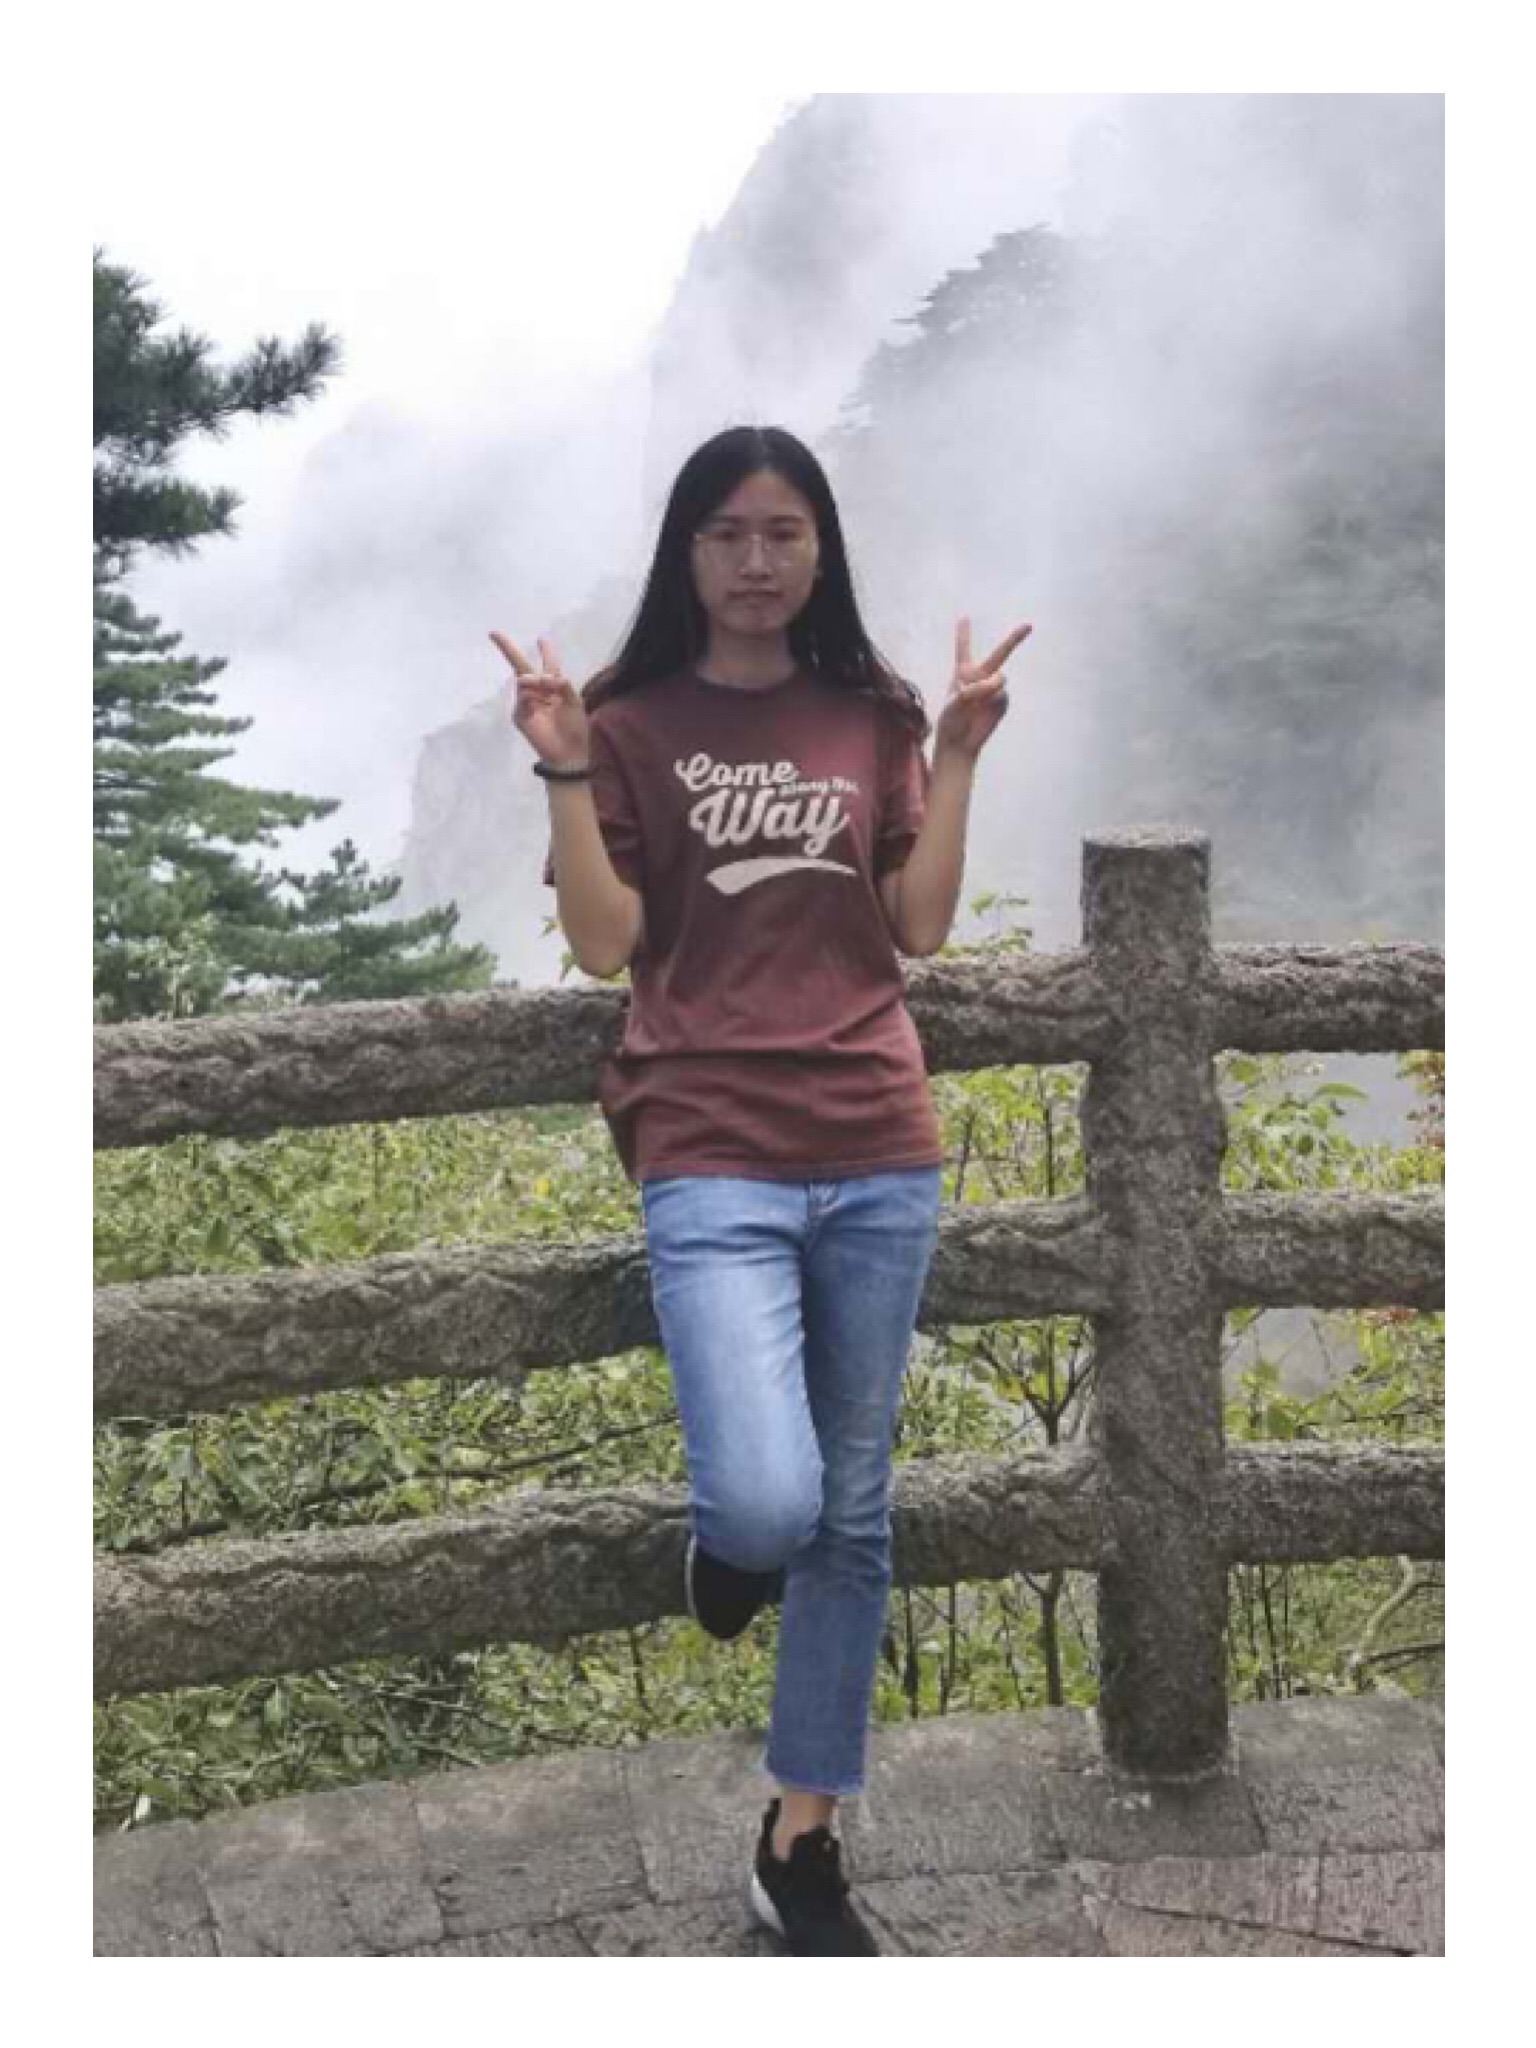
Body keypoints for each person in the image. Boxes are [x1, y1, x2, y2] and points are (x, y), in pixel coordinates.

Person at [493, 424, 1026, 1956]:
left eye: (784, 532)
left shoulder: (874, 713)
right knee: (771, 1500)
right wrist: (565, 764)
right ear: (686, 551)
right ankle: (727, 1548)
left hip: (877, 1139)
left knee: (852, 1516)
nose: (755, 560)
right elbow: (607, 944)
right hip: (708, 1144)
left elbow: (917, 926)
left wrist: (961, 755)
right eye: (726, 532)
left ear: (820, 549)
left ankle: (802, 1844)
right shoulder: (628, 721)